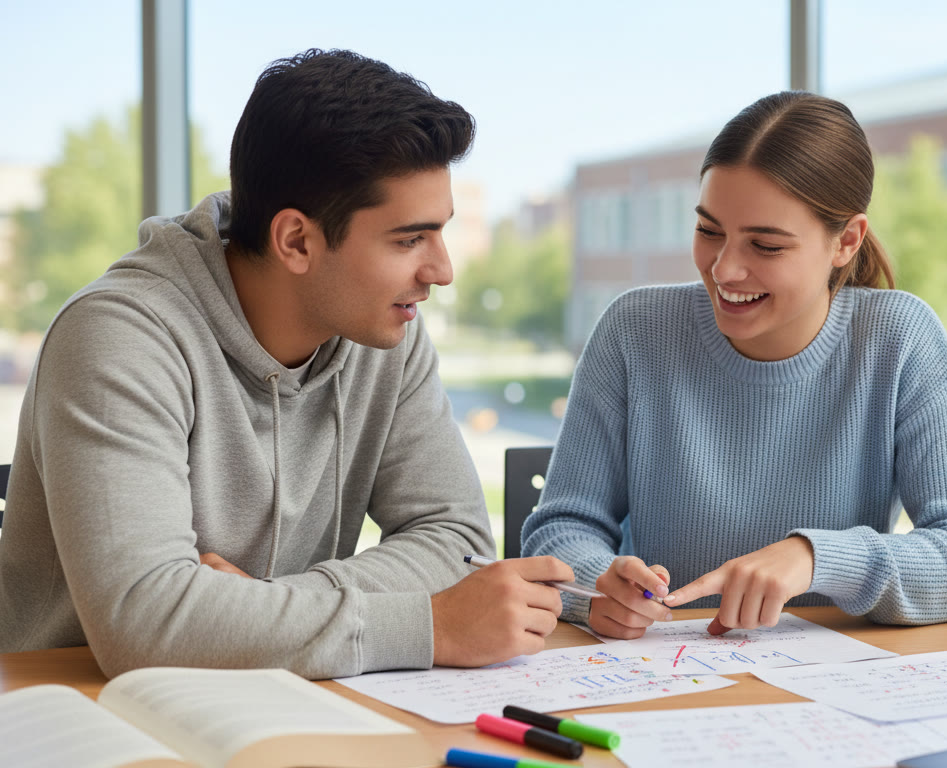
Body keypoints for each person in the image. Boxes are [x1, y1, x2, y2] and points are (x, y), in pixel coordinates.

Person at [0, 49, 572, 678]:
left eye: (441, 232)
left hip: (288, 699)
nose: (441, 271)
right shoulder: (118, 336)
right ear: (296, 240)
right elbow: (145, 623)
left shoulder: (386, 331)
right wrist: (428, 625)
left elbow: (457, 544)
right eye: (409, 239)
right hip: (88, 713)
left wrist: (254, 609)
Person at [522, 91, 947, 639]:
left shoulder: (900, 340)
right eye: (709, 231)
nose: (725, 269)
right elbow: (561, 529)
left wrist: (814, 557)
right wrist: (596, 587)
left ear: (846, 241)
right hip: (664, 679)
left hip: (836, 692)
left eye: (766, 246)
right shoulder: (634, 331)